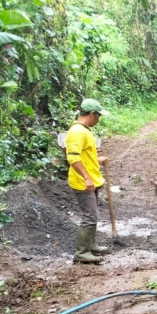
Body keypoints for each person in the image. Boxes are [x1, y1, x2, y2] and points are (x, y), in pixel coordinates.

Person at [66, 98, 110, 264]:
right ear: (91, 114)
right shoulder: (77, 132)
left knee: (93, 215)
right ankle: (81, 252)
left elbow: (84, 156)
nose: (98, 120)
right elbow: (73, 157)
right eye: (97, 116)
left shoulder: (84, 130)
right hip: (83, 182)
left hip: (91, 179)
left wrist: (98, 159)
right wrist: (86, 177)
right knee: (90, 216)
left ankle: (91, 245)